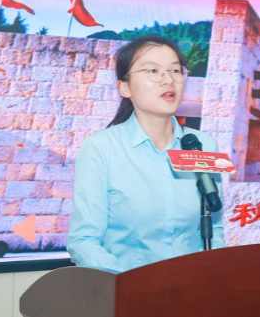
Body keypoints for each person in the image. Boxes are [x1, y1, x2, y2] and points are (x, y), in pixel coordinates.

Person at [68, 35, 225, 272]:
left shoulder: (203, 145)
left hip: (192, 289)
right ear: (125, 87)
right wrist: (128, 283)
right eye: (153, 70)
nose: (168, 80)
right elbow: (83, 240)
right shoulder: (102, 147)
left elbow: (215, 227)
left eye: (175, 70)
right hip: (126, 288)